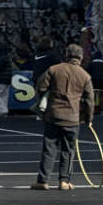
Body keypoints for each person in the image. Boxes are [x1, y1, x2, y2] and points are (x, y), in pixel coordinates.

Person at [31, 44, 94, 191]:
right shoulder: (85, 76)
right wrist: (88, 119)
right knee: (68, 150)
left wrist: (46, 98)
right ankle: (64, 181)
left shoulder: (54, 69)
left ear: (66, 55)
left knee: (49, 148)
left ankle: (42, 181)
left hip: (53, 115)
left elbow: (40, 87)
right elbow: (90, 100)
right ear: (80, 57)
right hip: (72, 119)